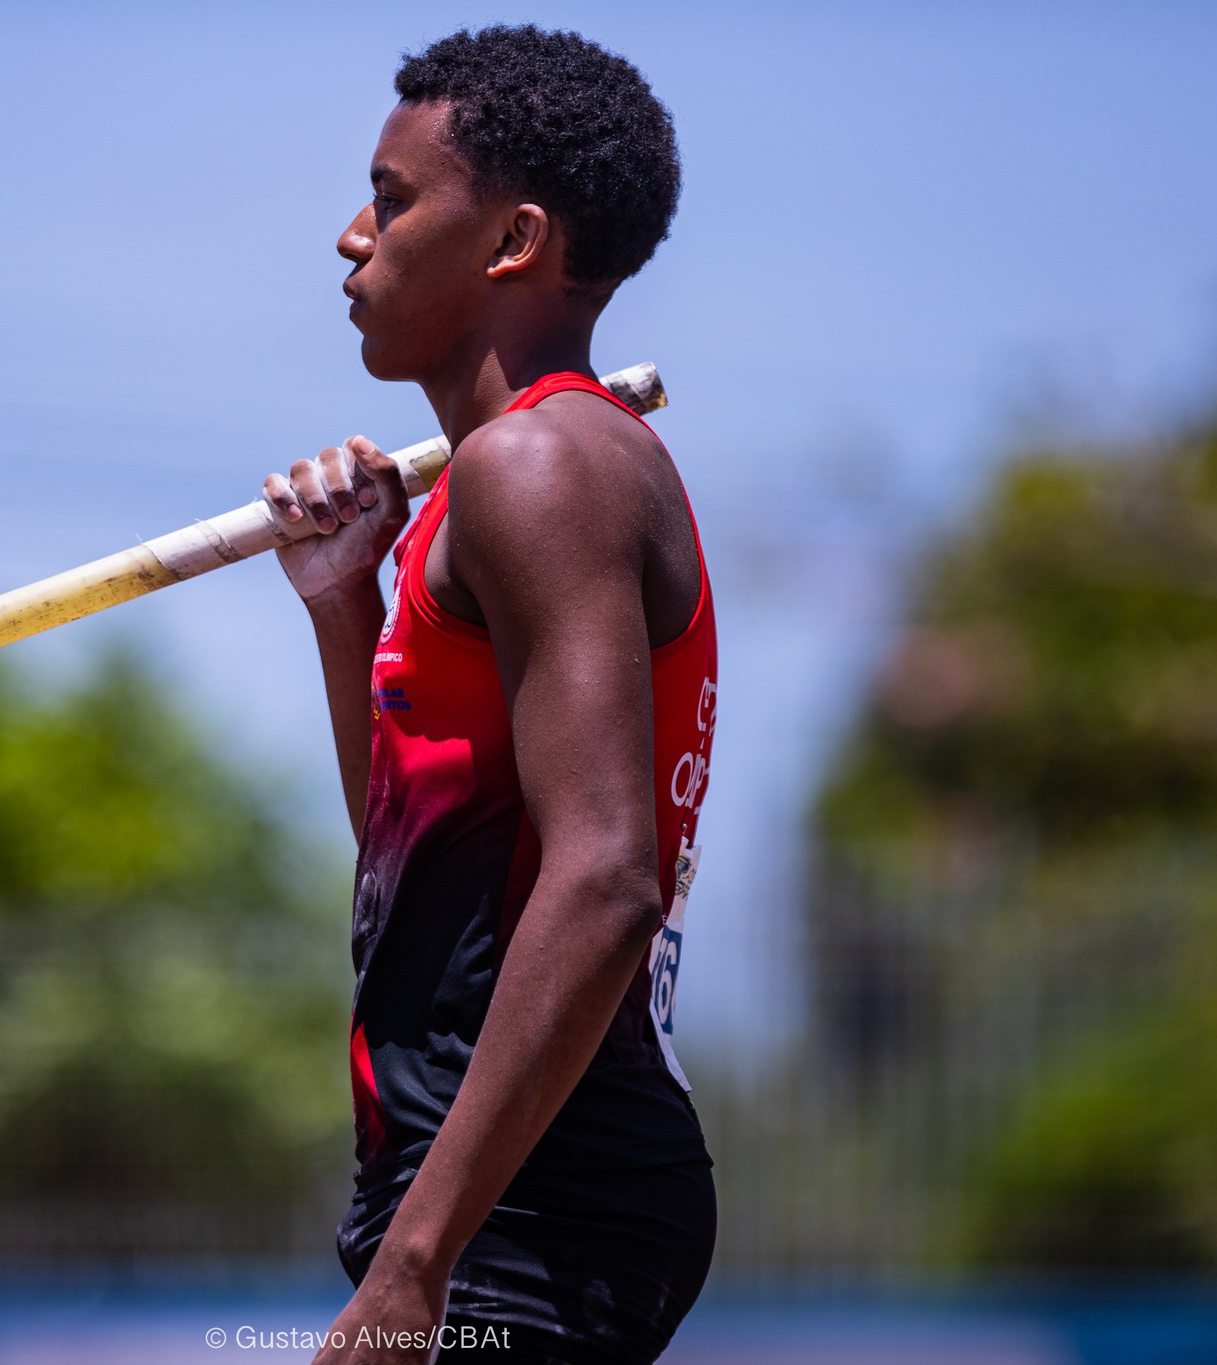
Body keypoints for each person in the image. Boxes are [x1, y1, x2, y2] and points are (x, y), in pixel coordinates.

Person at [260, 25, 719, 1365]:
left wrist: (419, 1261)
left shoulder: (542, 468)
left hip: (528, 1207)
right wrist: (347, 601)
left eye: (394, 198)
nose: (354, 235)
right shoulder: (491, 486)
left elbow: (604, 878)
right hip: (478, 1189)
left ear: (511, 241)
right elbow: (405, 858)